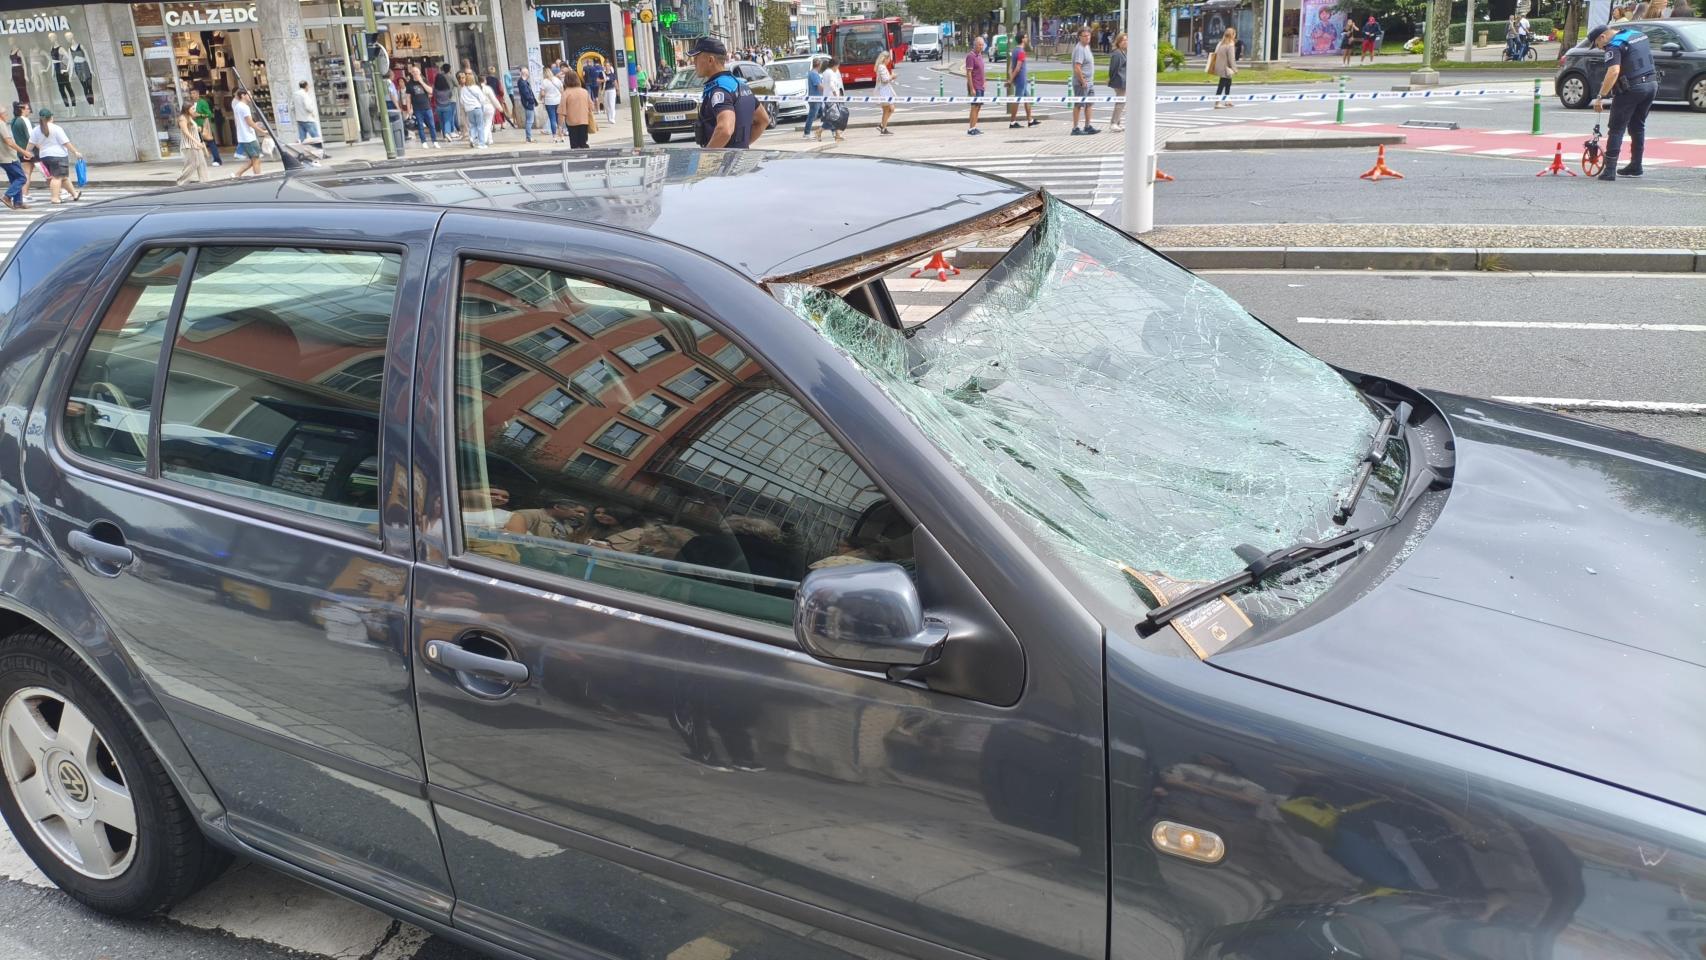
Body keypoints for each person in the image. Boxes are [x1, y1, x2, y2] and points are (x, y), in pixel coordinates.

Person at [1588, 22, 1658, 180]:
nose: (1600, 48)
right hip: (1651, 85)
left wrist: (1600, 96)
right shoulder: (1636, 34)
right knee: (1637, 126)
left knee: (1616, 128)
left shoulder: (1614, 46)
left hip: (1631, 89)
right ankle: (1636, 165)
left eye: (1598, 44)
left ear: (1603, 37)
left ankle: (1610, 170)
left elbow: (1613, 72)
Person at [691, 36, 768, 148]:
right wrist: (741, 147)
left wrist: (707, 158)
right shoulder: (740, 85)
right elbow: (763, 120)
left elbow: (725, 130)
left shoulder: (720, 90)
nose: (694, 63)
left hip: (723, 163)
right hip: (738, 160)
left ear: (710, 60)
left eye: (696, 58)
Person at [29, 110, 80, 203]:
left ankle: (74, 194)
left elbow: (31, 143)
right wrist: (75, 152)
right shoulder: (56, 128)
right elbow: (66, 143)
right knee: (57, 177)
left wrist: (26, 152)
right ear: (51, 117)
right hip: (58, 156)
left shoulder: (36, 130)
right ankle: (55, 198)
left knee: (63, 176)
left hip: (44, 156)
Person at [505, 500, 588, 541]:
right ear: (558, 507)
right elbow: (512, 538)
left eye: (584, 514)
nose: (581, 515)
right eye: (579, 511)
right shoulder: (528, 515)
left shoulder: (568, 527)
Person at [0, 103, 29, 209]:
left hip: (3, 157)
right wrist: (24, 152)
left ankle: (18, 202)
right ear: (1, 115)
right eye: (5, 114)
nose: (7, 116)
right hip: (8, 157)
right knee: (22, 178)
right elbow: (9, 142)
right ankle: (7, 196)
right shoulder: (1, 124)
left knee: (15, 179)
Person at [1070, 27, 1098, 135]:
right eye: (1085, 36)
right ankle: (1075, 128)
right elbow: (1077, 67)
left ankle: (1087, 126)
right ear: (1080, 37)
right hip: (1082, 82)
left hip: (1090, 81)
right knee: (1078, 104)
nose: (1087, 38)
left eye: (1089, 35)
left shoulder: (1087, 47)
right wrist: (1082, 80)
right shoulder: (1080, 49)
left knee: (1089, 104)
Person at [230, 89, 264, 178]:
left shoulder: (238, 106)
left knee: (255, 158)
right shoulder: (244, 107)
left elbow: (245, 122)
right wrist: (262, 131)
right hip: (248, 137)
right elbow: (249, 122)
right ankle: (257, 176)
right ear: (243, 95)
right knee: (256, 159)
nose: (251, 97)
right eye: (249, 95)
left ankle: (238, 174)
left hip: (244, 136)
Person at [173, 103, 210, 185]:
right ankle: (181, 182)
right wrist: (196, 142)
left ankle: (205, 181)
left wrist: (197, 128)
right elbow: (186, 132)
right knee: (192, 164)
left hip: (196, 145)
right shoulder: (182, 118)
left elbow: (191, 129)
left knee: (201, 163)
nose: (194, 110)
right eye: (192, 108)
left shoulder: (190, 117)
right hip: (189, 145)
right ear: (187, 109)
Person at [1008, 30, 1037, 129]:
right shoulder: (1021, 52)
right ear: (1022, 39)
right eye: (1025, 37)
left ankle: (1030, 120)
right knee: (1017, 100)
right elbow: (1017, 68)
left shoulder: (1015, 50)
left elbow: (1011, 66)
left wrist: (1010, 77)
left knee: (1027, 98)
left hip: (1020, 79)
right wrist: (1011, 80)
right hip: (1021, 79)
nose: (1027, 38)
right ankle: (1012, 122)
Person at [404, 65, 439, 148]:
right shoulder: (409, 84)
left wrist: (421, 82)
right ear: (411, 73)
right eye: (413, 72)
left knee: (431, 125)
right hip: (417, 108)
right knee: (420, 125)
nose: (415, 73)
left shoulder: (424, 80)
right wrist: (409, 109)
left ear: (419, 72)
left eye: (417, 71)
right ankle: (424, 142)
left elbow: (431, 91)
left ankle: (435, 141)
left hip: (427, 107)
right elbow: (408, 98)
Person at [559, 69, 594, 148]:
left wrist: (560, 126)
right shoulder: (584, 92)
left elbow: (561, 112)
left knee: (574, 144)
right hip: (584, 121)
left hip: (571, 123)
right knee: (583, 142)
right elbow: (592, 107)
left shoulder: (566, 93)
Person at [291, 80, 324, 157]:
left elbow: (292, 107)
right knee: (316, 138)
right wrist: (312, 111)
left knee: (302, 138)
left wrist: (298, 113)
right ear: (306, 86)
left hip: (299, 119)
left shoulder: (295, 95)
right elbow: (308, 107)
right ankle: (321, 153)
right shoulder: (304, 95)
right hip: (308, 119)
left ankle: (301, 153)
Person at [1209, 28, 1239, 108]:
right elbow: (1231, 59)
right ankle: (1217, 103)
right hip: (1226, 68)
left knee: (1228, 83)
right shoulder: (1230, 45)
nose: (1235, 35)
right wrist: (1235, 69)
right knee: (1222, 84)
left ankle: (1227, 100)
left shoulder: (1220, 43)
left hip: (1219, 66)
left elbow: (1215, 53)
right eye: (1234, 34)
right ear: (1232, 35)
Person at [192, 87, 221, 167]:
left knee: (210, 142)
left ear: (198, 94)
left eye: (194, 93)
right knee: (195, 144)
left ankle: (217, 159)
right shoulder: (190, 103)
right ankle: (198, 161)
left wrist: (200, 115)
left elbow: (209, 114)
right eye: (191, 93)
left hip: (203, 125)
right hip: (194, 126)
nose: (192, 95)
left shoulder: (203, 102)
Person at [458, 72, 488, 148]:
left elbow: (461, 101)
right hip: (477, 108)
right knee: (480, 126)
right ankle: (481, 144)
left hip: (469, 110)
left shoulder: (463, 89)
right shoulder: (476, 88)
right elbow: (482, 99)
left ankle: (472, 138)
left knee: (472, 125)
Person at [821, 56, 847, 142]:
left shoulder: (825, 72)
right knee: (834, 118)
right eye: (838, 66)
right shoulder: (831, 73)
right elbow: (832, 85)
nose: (838, 68)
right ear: (835, 65)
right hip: (832, 98)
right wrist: (836, 95)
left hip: (827, 97)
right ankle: (819, 131)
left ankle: (837, 135)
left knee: (835, 117)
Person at [965, 36, 987, 136]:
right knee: (974, 107)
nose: (981, 47)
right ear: (975, 45)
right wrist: (972, 88)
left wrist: (985, 81)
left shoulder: (980, 55)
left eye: (982, 45)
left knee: (978, 107)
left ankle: (974, 126)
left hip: (981, 86)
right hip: (975, 85)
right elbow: (969, 73)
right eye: (979, 45)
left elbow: (982, 70)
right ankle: (971, 128)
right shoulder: (971, 56)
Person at [433, 63, 460, 140]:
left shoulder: (439, 79)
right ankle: (450, 131)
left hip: (439, 105)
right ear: (449, 69)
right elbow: (457, 85)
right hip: (450, 101)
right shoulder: (451, 77)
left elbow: (434, 94)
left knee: (442, 120)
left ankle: (445, 133)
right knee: (450, 117)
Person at [1108, 33, 1128, 132]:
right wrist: (1111, 79)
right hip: (1119, 81)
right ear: (1118, 42)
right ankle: (1114, 123)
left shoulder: (1123, 52)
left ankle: (1117, 123)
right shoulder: (1117, 53)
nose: (1125, 42)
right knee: (1120, 102)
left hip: (1123, 81)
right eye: (1123, 40)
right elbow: (1113, 69)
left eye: (1126, 40)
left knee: (1122, 102)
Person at [875, 50, 897, 135]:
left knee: (889, 109)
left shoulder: (882, 66)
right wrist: (892, 76)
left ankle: (882, 126)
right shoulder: (881, 67)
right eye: (888, 59)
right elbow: (885, 80)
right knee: (888, 109)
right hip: (884, 91)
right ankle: (883, 127)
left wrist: (891, 77)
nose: (889, 61)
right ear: (885, 59)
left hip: (885, 90)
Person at [541, 65, 564, 142]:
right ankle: (562, 136)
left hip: (549, 102)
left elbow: (543, 94)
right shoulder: (557, 79)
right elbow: (562, 90)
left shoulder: (544, 82)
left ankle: (554, 137)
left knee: (552, 119)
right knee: (559, 119)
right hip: (558, 101)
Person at [804, 57, 824, 139]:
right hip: (815, 99)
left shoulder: (812, 73)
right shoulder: (814, 74)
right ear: (819, 65)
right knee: (812, 116)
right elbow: (819, 86)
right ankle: (806, 133)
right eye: (821, 65)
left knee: (824, 115)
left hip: (817, 98)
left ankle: (833, 131)